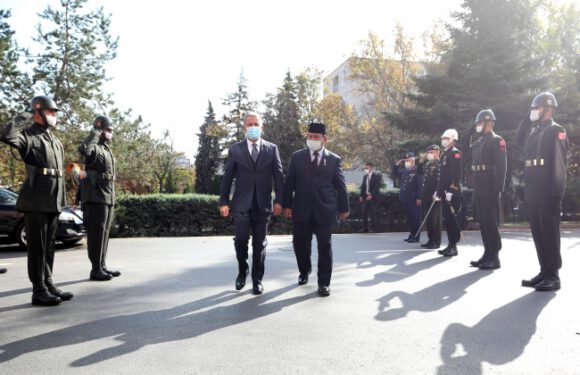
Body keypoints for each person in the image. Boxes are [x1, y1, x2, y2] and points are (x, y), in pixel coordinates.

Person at [0, 95, 73, 306]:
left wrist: (62, 199)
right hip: (36, 200)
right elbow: (6, 134)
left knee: (50, 245)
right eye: (50, 112)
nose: (54, 115)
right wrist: (27, 112)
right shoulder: (28, 136)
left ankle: (48, 283)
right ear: (38, 113)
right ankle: (38, 289)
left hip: (53, 199)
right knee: (37, 247)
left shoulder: (53, 139)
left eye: (54, 112)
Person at [219, 112, 284, 295]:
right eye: (250, 124)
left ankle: (257, 280)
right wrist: (224, 201)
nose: (253, 127)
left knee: (260, 244)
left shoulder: (272, 149)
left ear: (262, 127)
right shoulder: (236, 149)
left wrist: (280, 200)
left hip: (263, 205)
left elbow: (279, 177)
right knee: (240, 241)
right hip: (241, 204)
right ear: (244, 128)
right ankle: (242, 270)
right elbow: (227, 177)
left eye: (256, 124)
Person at [283, 122, 349, 297]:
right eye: (310, 136)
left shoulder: (334, 159)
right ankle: (304, 271)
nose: (312, 139)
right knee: (299, 244)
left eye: (316, 137)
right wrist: (286, 204)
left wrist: (344, 208)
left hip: (325, 209)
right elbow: (289, 183)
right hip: (301, 208)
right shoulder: (297, 157)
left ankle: (324, 283)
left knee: (324, 247)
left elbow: (340, 186)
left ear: (324, 139)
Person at [516, 92, 568, 291]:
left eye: (536, 108)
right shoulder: (535, 131)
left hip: (548, 192)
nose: (533, 112)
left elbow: (559, 165)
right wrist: (526, 120)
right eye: (532, 109)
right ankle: (544, 270)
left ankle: (553, 275)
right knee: (538, 232)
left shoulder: (556, 130)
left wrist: (556, 194)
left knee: (549, 233)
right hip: (534, 190)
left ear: (548, 108)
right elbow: (519, 143)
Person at [79, 115, 120, 281]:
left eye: (111, 130)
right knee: (96, 233)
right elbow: (84, 150)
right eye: (107, 129)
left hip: (107, 194)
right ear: (100, 130)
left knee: (104, 232)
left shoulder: (106, 148)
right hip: (95, 195)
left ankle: (102, 265)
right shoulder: (94, 146)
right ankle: (95, 269)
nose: (110, 133)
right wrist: (95, 131)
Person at [470, 109, 507, 270]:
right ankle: (487, 253)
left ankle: (495, 257)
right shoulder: (478, 143)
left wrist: (498, 189)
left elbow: (502, 167)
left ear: (489, 123)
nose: (477, 126)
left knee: (491, 223)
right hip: (479, 186)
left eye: (480, 123)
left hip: (490, 186)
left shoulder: (497, 140)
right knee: (483, 223)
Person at [436, 129, 462, 257]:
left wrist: (452, 190)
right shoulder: (445, 154)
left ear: (452, 139)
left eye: (446, 138)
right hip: (445, 193)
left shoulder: (454, 153)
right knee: (447, 221)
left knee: (452, 221)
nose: (443, 140)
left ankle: (454, 247)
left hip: (452, 193)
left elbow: (456, 175)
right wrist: (439, 191)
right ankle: (450, 245)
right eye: (443, 138)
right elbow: (442, 176)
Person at [392, 152, 422, 243]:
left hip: (414, 198)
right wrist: (397, 165)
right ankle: (411, 234)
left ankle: (415, 236)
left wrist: (419, 197)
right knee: (410, 218)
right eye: (405, 160)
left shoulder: (417, 170)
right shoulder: (405, 170)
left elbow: (419, 185)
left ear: (413, 160)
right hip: (405, 198)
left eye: (408, 160)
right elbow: (395, 173)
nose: (406, 162)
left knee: (416, 218)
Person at [417, 145, 442, 249]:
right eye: (429, 152)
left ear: (438, 152)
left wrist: (438, 191)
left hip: (435, 196)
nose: (430, 154)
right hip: (427, 196)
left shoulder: (440, 164)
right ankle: (430, 239)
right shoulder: (428, 164)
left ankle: (436, 241)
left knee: (435, 220)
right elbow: (419, 173)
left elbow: (440, 180)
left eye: (432, 152)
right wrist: (421, 162)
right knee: (429, 220)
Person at [359, 162, 381, 233]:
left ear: (371, 168)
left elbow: (376, 187)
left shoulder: (376, 176)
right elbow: (363, 187)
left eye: (367, 168)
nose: (366, 169)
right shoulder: (365, 177)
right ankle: (365, 228)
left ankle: (374, 228)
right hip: (366, 197)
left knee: (372, 213)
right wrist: (361, 196)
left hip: (374, 198)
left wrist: (371, 195)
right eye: (365, 168)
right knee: (364, 212)